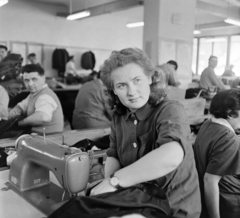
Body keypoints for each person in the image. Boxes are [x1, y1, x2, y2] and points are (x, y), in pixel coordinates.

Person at [66, 48, 200, 218]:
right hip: (137, 201)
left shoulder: (170, 109)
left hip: (174, 208)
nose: (131, 92)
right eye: (121, 85)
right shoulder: (119, 116)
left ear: (150, 79)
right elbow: (114, 155)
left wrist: (114, 182)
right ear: (113, 89)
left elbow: (171, 156)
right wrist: (110, 195)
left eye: (137, 80)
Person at [194, 89, 240, 218]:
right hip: (228, 202)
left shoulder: (207, 124)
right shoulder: (228, 138)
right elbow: (210, 181)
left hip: (204, 194)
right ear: (230, 113)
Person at [9, 64, 64, 134]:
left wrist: (20, 123)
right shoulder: (34, 94)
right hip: (38, 137)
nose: (30, 84)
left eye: (34, 79)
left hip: (49, 139)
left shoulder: (45, 96)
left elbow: (43, 117)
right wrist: (17, 109)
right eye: (26, 80)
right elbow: (23, 105)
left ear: (43, 78)